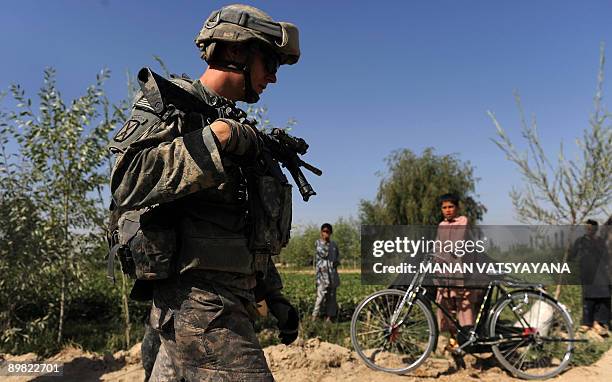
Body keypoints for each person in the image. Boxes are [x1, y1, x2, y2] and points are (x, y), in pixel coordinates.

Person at [108, 4, 301, 380]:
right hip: (199, 303)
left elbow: (243, 226)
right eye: (270, 63)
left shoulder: (236, 122)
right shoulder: (173, 105)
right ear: (234, 50)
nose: (273, 78)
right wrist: (216, 139)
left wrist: (274, 296)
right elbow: (127, 179)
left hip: (220, 302)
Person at [434, 193, 480, 353]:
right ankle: (453, 340)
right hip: (445, 272)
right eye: (444, 207)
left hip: (461, 271)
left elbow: (458, 243)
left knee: (464, 305)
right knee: (445, 305)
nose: (447, 210)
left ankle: (468, 341)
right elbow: (439, 247)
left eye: (450, 207)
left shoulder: (463, 221)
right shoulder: (441, 225)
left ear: (457, 208)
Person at [569, 219, 610, 337]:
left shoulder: (600, 241)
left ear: (596, 229)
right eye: (587, 227)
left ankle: (597, 323)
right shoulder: (580, 241)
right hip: (587, 274)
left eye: (592, 228)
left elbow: (606, 257)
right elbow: (572, 256)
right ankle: (587, 323)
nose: (589, 229)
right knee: (588, 298)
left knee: (601, 297)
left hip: (600, 273)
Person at [312, 223, 340, 321]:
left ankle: (329, 318)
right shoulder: (318, 243)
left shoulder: (334, 245)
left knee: (332, 297)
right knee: (320, 297)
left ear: (331, 233)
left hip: (332, 275)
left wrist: (335, 265)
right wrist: (326, 242)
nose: (326, 233)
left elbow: (337, 258)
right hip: (322, 276)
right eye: (324, 231)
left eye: (328, 232)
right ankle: (314, 317)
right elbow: (324, 254)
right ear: (321, 232)